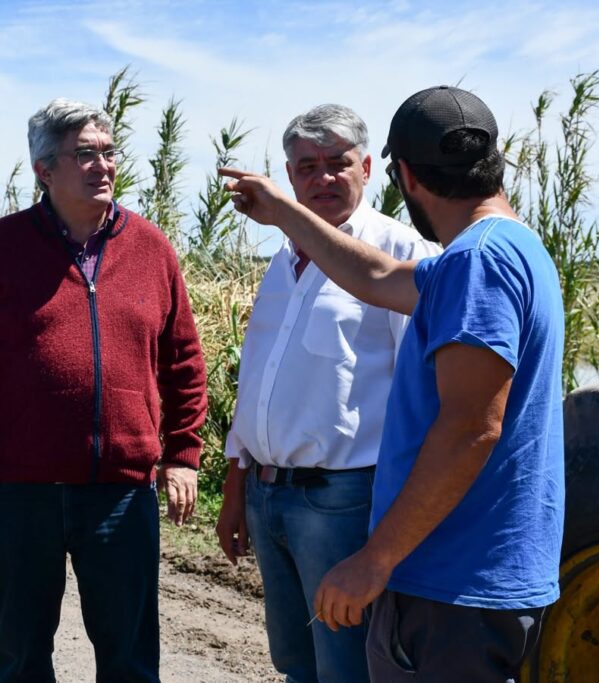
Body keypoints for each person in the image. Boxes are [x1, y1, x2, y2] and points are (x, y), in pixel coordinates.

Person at [221, 86, 564, 681]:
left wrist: (373, 561)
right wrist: (282, 212)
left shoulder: (475, 262)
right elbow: (376, 275)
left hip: (455, 577)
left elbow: (469, 429)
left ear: (399, 173)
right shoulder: (504, 248)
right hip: (470, 574)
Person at [0, 97, 208, 682]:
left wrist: (183, 455)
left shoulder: (151, 247)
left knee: (131, 660)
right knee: (19, 657)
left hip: (119, 495)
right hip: (17, 493)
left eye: (108, 152)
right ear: (44, 169)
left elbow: (184, 360)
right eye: (84, 154)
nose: (103, 165)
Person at [216, 104, 437, 683]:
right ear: (289, 178)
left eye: (338, 163)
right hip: (270, 497)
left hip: (342, 502)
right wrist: (237, 485)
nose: (324, 178)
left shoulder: (399, 255)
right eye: (307, 167)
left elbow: (426, 396)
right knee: (294, 662)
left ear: (366, 167)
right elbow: (258, 381)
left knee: (348, 667)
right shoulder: (282, 258)